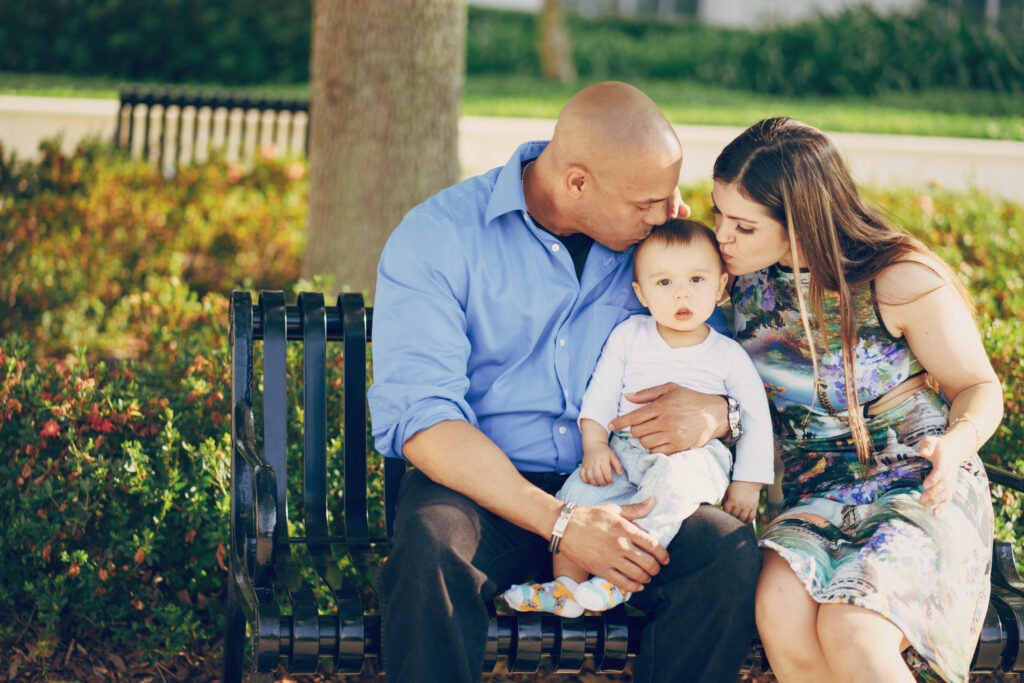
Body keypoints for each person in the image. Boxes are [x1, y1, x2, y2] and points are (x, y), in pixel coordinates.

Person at [368, 81, 760, 683]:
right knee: (432, 547)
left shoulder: (657, 246)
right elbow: (423, 419)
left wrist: (720, 414)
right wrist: (562, 522)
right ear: (578, 183)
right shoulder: (438, 239)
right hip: (485, 488)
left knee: (725, 556)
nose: (668, 217)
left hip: (627, 481)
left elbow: (729, 358)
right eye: (646, 202)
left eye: (670, 196)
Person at [710, 117, 1002, 683]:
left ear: (800, 222)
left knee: (853, 627)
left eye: (743, 226)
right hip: (812, 489)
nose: (722, 236)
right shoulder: (732, 278)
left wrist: (956, 442)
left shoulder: (893, 278)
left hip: (917, 482)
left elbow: (978, 386)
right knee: (778, 610)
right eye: (718, 213)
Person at [502, 219, 774, 617]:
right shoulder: (630, 335)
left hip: (693, 455)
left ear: (720, 288)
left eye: (697, 279)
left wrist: (748, 485)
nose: (681, 292)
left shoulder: (727, 354)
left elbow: (755, 416)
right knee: (579, 496)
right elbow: (602, 393)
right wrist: (594, 446)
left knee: (673, 489)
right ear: (641, 293)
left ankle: (618, 581)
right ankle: (566, 587)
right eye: (663, 283)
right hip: (624, 450)